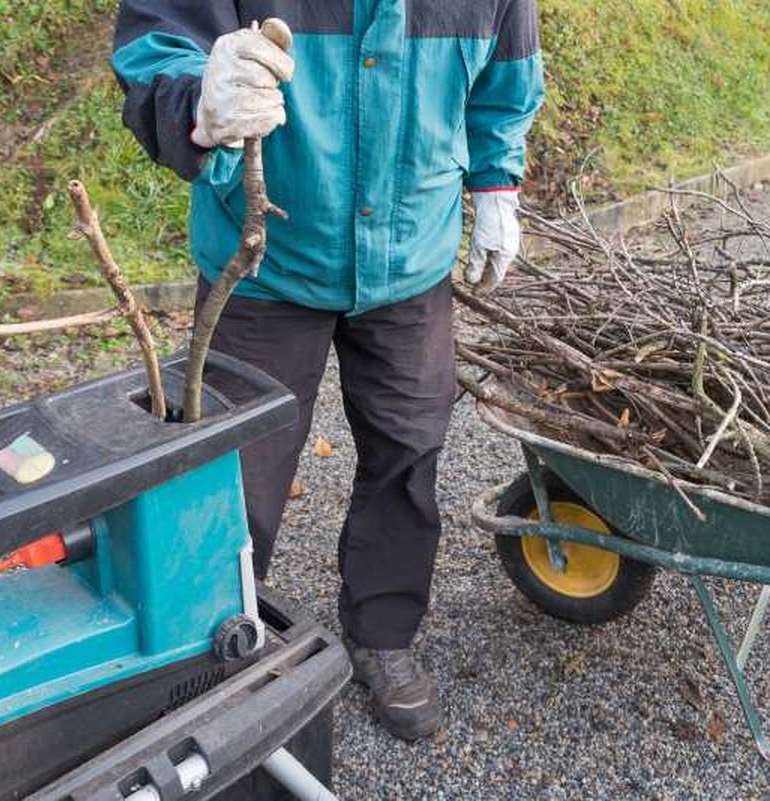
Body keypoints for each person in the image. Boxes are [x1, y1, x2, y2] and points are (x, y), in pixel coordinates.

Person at [112, 0, 544, 741]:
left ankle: (382, 633)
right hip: (264, 267)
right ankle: (211, 651)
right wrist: (198, 104)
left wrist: (496, 183)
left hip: (411, 260)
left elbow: (505, 77)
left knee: (409, 455)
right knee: (232, 477)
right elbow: (160, 41)